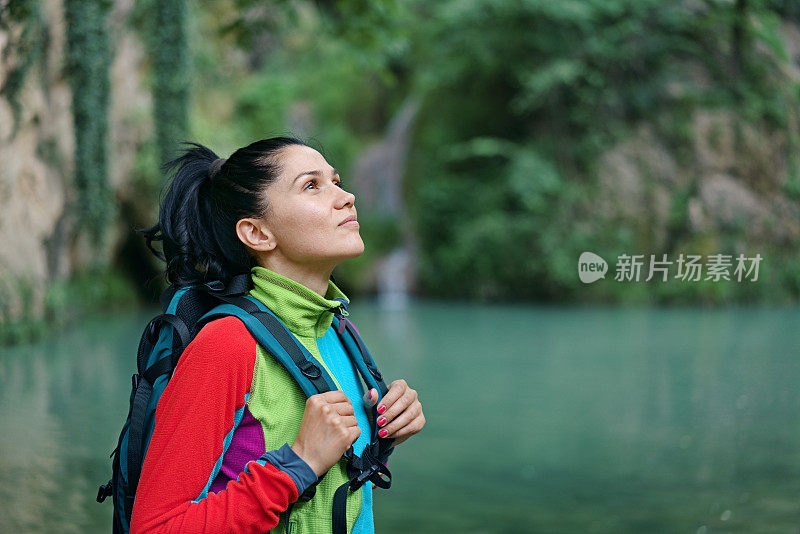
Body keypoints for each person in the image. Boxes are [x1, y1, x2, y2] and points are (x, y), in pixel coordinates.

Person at [129, 137, 426, 533]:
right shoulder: (227, 345)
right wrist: (297, 464)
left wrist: (386, 432)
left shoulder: (340, 330)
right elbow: (154, 527)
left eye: (336, 181)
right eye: (311, 186)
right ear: (257, 233)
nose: (347, 196)